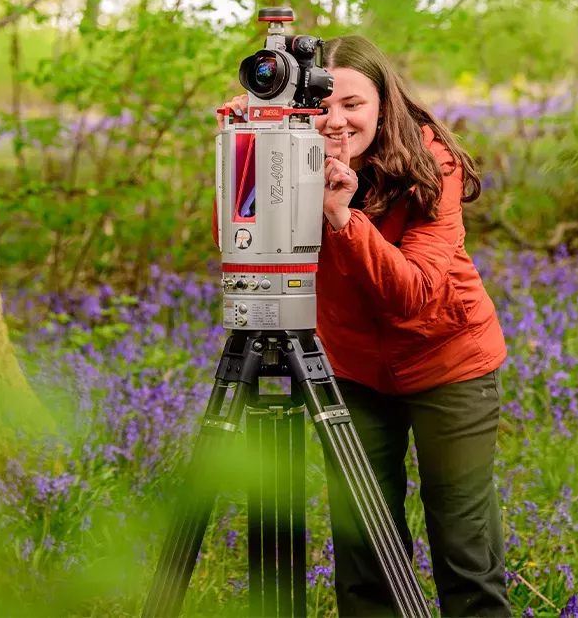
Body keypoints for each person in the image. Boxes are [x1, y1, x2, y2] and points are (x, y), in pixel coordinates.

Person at [217, 35, 511, 617]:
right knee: (365, 553)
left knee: (464, 549)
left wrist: (341, 218)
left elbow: (417, 296)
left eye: (353, 104)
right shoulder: (287, 154)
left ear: (384, 104)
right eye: (321, 104)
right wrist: (245, 150)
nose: (335, 120)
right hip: (351, 370)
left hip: (448, 364)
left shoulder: (433, 164)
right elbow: (243, 244)